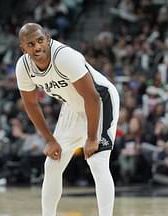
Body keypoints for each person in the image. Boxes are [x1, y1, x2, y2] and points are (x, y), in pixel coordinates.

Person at [15, 23, 120, 216]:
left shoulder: (64, 57)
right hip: (73, 107)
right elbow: (30, 104)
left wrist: (91, 137)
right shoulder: (23, 67)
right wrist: (50, 140)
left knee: (97, 162)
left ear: (47, 38)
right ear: (23, 48)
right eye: (31, 44)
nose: (37, 47)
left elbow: (92, 98)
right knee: (52, 164)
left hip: (101, 101)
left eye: (40, 40)